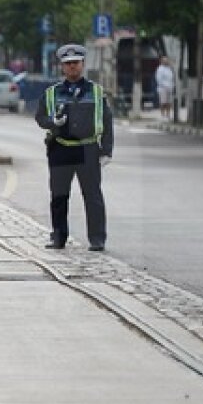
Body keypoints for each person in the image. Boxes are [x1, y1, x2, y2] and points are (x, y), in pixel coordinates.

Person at [35, 43, 114, 251]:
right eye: (68, 64)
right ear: (62, 66)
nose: (72, 67)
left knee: (93, 196)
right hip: (60, 148)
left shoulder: (96, 92)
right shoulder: (52, 93)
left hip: (88, 149)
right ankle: (58, 237)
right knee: (59, 196)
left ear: (82, 64)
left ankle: (97, 239)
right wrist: (53, 121)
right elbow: (40, 117)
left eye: (76, 63)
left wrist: (106, 150)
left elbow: (107, 122)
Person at [155, 55, 175, 119]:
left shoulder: (169, 69)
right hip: (163, 88)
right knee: (163, 102)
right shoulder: (160, 69)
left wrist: (172, 85)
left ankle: (168, 115)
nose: (166, 61)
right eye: (164, 60)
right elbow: (158, 79)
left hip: (170, 87)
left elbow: (171, 78)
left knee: (169, 102)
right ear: (161, 61)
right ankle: (162, 115)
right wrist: (164, 86)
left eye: (166, 60)